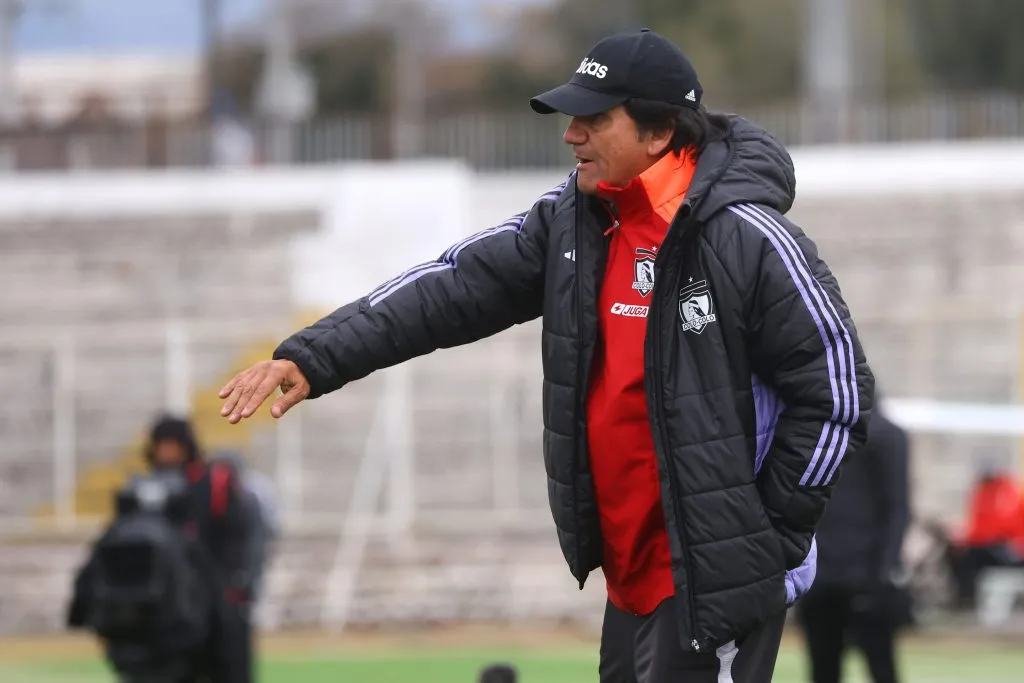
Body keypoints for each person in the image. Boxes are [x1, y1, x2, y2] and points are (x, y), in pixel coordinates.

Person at [219, 28, 874, 683]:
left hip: (715, 580)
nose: (572, 135)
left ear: (659, 132)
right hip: (630, 579)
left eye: (594, 119)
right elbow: (454, 283)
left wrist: (766, 538)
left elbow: (838, 389)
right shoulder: (573, 222)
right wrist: (317, 354)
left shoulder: (747, 237)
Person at [796, 402, 910, 683]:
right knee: (865, 666)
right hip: (844, 571)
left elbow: (895, 507)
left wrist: (886, 567)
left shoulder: (879, 434)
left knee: (839, 666)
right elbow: (897, 506)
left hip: (850, 572)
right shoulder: (885, 434)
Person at [146, 416, 260, 683]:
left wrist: (238, 582)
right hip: (171, 603)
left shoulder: (214, 482)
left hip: (218, 595)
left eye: (171, 445)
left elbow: (242, 534)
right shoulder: (149, 488)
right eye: (161, 445)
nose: (166, 453)